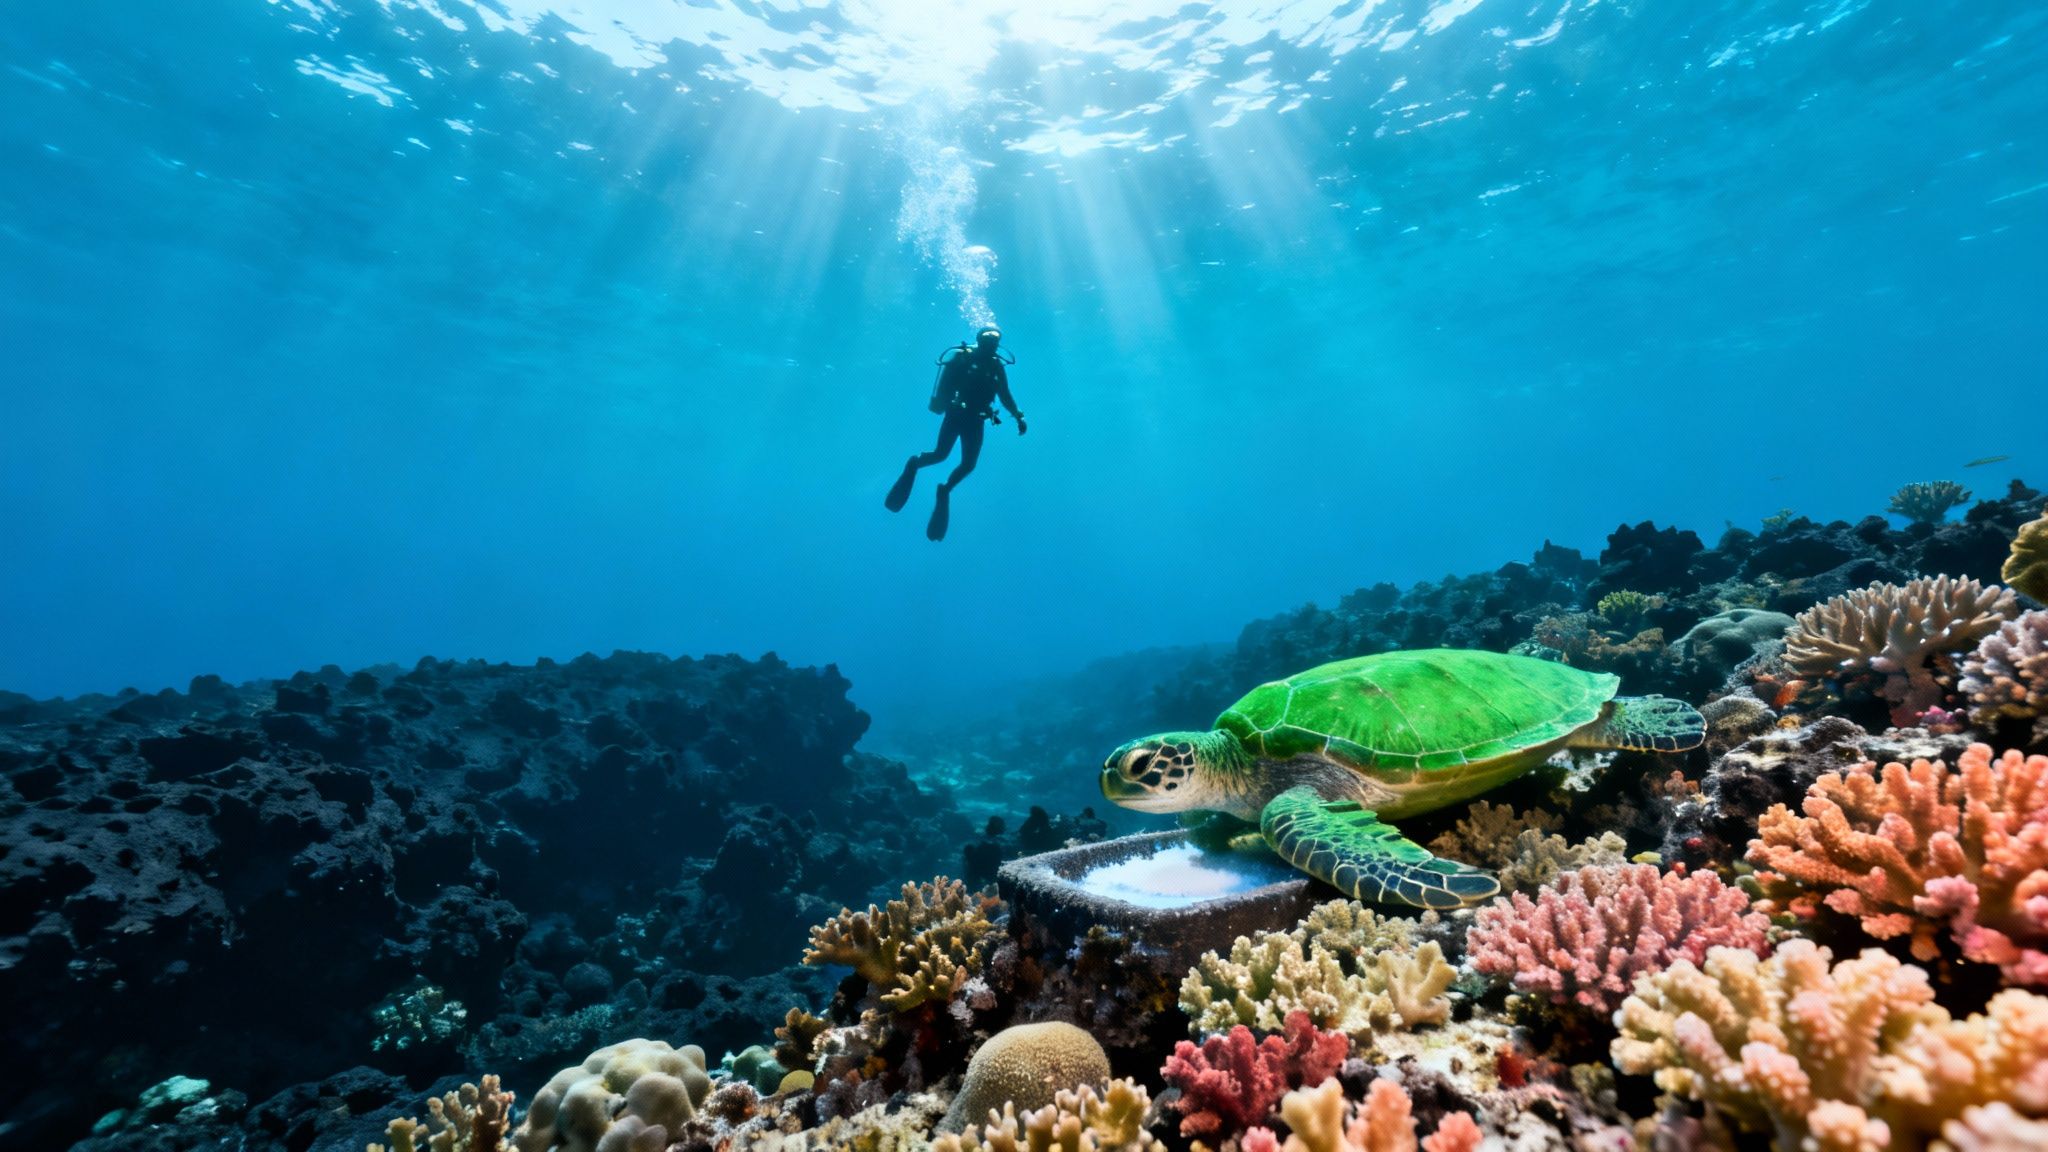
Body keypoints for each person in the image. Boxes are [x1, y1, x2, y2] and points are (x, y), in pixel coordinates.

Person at [885, 326, 1026, 541]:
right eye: (988, 339)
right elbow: (946, 386)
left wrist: (1018, 416)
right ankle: (916, 464)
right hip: (956, 415)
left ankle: (945, 489)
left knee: (967, 464)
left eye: (994, 341)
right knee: (941, 455)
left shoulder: (995, 366)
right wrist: (1017, 416)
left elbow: (1005, 394)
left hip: (975, 419)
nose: (991, 344)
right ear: (979, 340)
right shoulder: (962, 358)